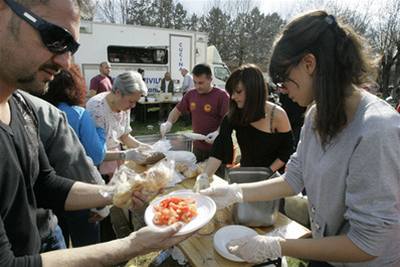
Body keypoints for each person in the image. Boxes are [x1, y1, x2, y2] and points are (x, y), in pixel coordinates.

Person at [201, 11, 400, 267]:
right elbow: (294, 178)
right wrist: (234, 192)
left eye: (285, 81)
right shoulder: (316, 114)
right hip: (326, 250)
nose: (282, 91)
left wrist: (275, 245)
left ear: (309, 64)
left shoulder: (377, 130)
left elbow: (367, 243)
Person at [0, 0, 191, 265]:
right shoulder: (93, 107)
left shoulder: (19, 106)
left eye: (72, 48)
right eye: (54, 37)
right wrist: (132, 245)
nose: (66, 62)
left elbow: (45, 184)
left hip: (45, 237)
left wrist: (117, 193)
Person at [194, 64, 293, 191]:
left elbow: (287, 151)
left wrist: (266, 173)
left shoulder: (277, 115)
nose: (234, 97)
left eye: (238, 91)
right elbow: (220, 146)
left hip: (272, 179)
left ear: (254, 90)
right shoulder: (235, 113)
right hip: (245, 174)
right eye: (232, 92)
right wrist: (205, 176)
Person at [40, 65, 107, 247]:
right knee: (88, 249)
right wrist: (101, 131)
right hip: (78, 190)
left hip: (47, 198)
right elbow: (97, 155)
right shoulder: (78, 114)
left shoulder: (36, 111)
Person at [86, 71, 153, 180]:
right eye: (131, 101)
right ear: (117, 92)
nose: (133, 106)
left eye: (135, 102)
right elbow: (95, 153)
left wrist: (143, 147)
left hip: (118, 158)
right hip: (100, 166)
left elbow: (124, 136)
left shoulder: (124, 106)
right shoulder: (96, 108)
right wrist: (127, 154)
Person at [160, 63, 230, 163]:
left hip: (217, 148)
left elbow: (228, 119)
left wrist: (218, 132)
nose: (197, 86)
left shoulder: (222, 96)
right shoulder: (191, 94)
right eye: (195, 82)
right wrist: (169, 122)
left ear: (210, 79)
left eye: (201, 83)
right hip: (197, 147)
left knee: (215, 178)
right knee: (196, 175)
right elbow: (177, 110)